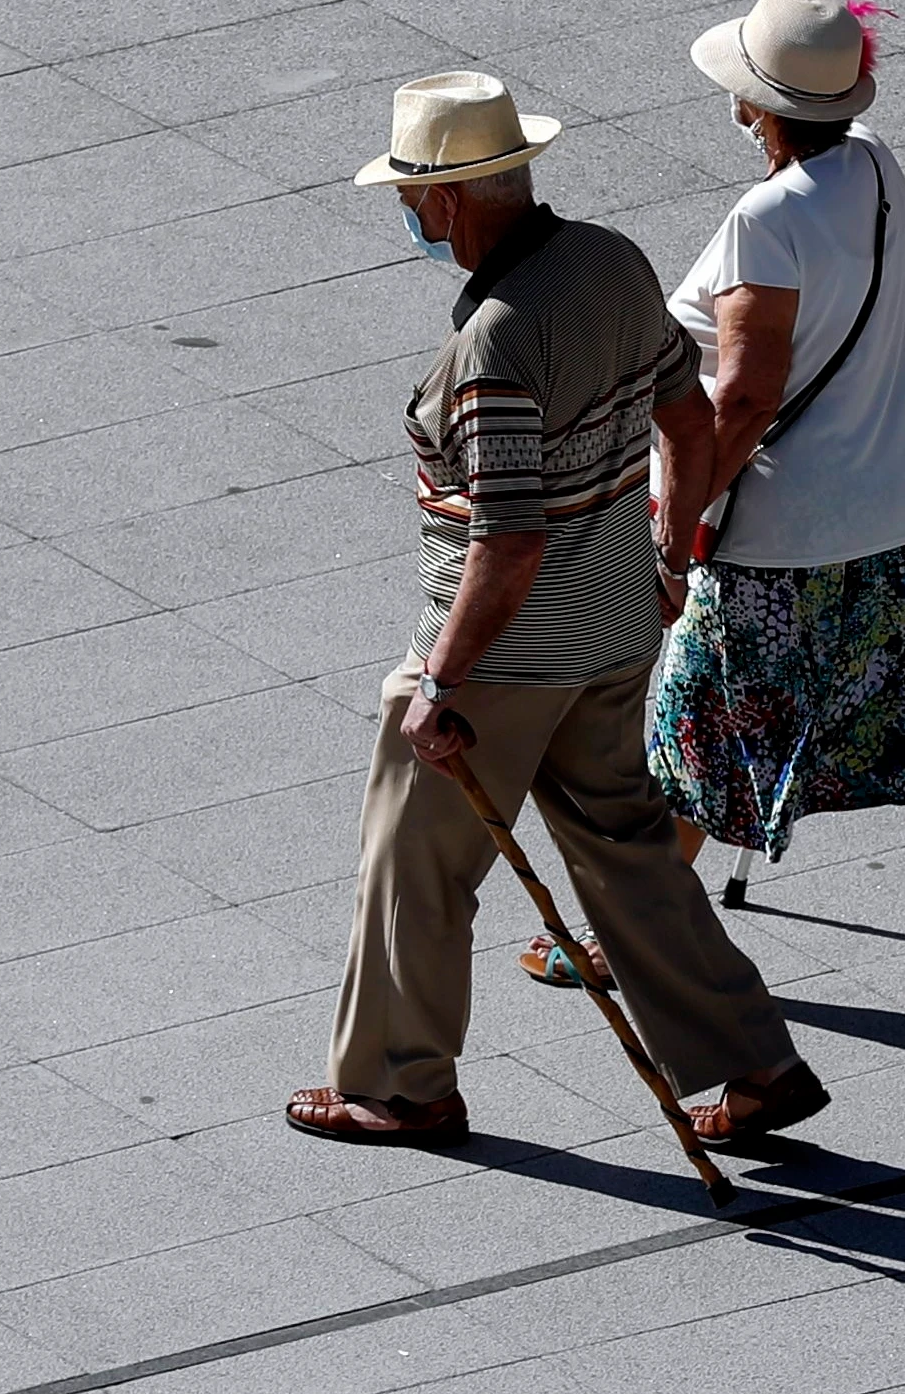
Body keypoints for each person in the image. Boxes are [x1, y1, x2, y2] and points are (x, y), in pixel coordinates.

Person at [288, 72, 826, 1148]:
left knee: (415, 863)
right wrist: (667, 554)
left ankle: (401, 1083)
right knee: (626, 849)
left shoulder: (491, 344)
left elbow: (510, 534)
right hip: (616, 626)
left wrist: (442, 679)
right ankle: (754, 1060)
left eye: (411, 192)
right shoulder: (613, 261)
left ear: (448, 200)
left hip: (505, 657)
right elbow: (685, 412)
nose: (408, 212)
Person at [516, 0, 905, 1014]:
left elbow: (749, 394)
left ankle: (624, 935)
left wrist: (677, 530)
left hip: (782, 539)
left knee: (695, 735)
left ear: (753, 109)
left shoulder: (764, 221)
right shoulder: (877, 166)